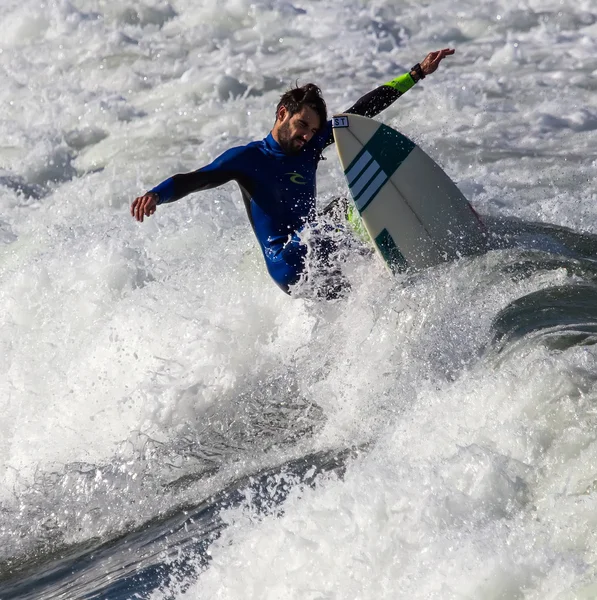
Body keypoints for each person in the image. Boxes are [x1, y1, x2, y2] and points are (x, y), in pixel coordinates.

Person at [131, 48, 455, 298]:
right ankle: (394, 269)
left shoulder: (310, 148)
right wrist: (156, 195)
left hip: (313, 249)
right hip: (289, 259)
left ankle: (389, 292)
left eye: (313, 131)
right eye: (302, 125)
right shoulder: (248, 158)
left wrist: (417, 73)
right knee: (346, 212)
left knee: (345, 222)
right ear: (282, 113)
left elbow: (361, 111)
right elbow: (194, 179)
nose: (307, 136)